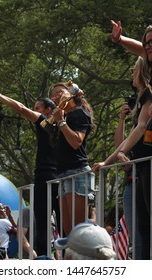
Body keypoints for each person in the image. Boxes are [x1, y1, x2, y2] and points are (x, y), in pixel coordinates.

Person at [0, 81, 60, 256]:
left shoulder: (45, 122)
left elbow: (20, 108)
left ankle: (44, 261)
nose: (35, 110)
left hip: (46, 176)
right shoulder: (65, 126)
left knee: (42, 223)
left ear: (49, 110)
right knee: (62, 224)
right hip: (61, 177)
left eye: (38, 107)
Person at [93, 56, 152, 259]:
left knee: (146, 232)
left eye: (134, 70)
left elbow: (142, 127)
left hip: (146, 168)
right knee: (141, 234)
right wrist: (108, 161)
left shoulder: (149, 95)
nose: (131, 74)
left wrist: (121, 153)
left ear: (143, 71)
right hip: (138, 172)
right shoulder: (142, 99)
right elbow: (126, 138)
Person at [50, 81, 95, 236]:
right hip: (62, 174)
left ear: (71, 93)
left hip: (77, 172)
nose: (55, 97)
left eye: (59, 92)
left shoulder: (79, 113)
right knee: (68, 231)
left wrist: (61, 121)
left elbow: (76, 142)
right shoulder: (61, 116)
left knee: (79, 229)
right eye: (53, 95)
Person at [114, 102, 142, 259]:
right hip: (132, 182)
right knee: (137, 238)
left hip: (145, 179)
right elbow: (119, 147)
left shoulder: (144, 123)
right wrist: (122, 118)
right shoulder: (136, 126)